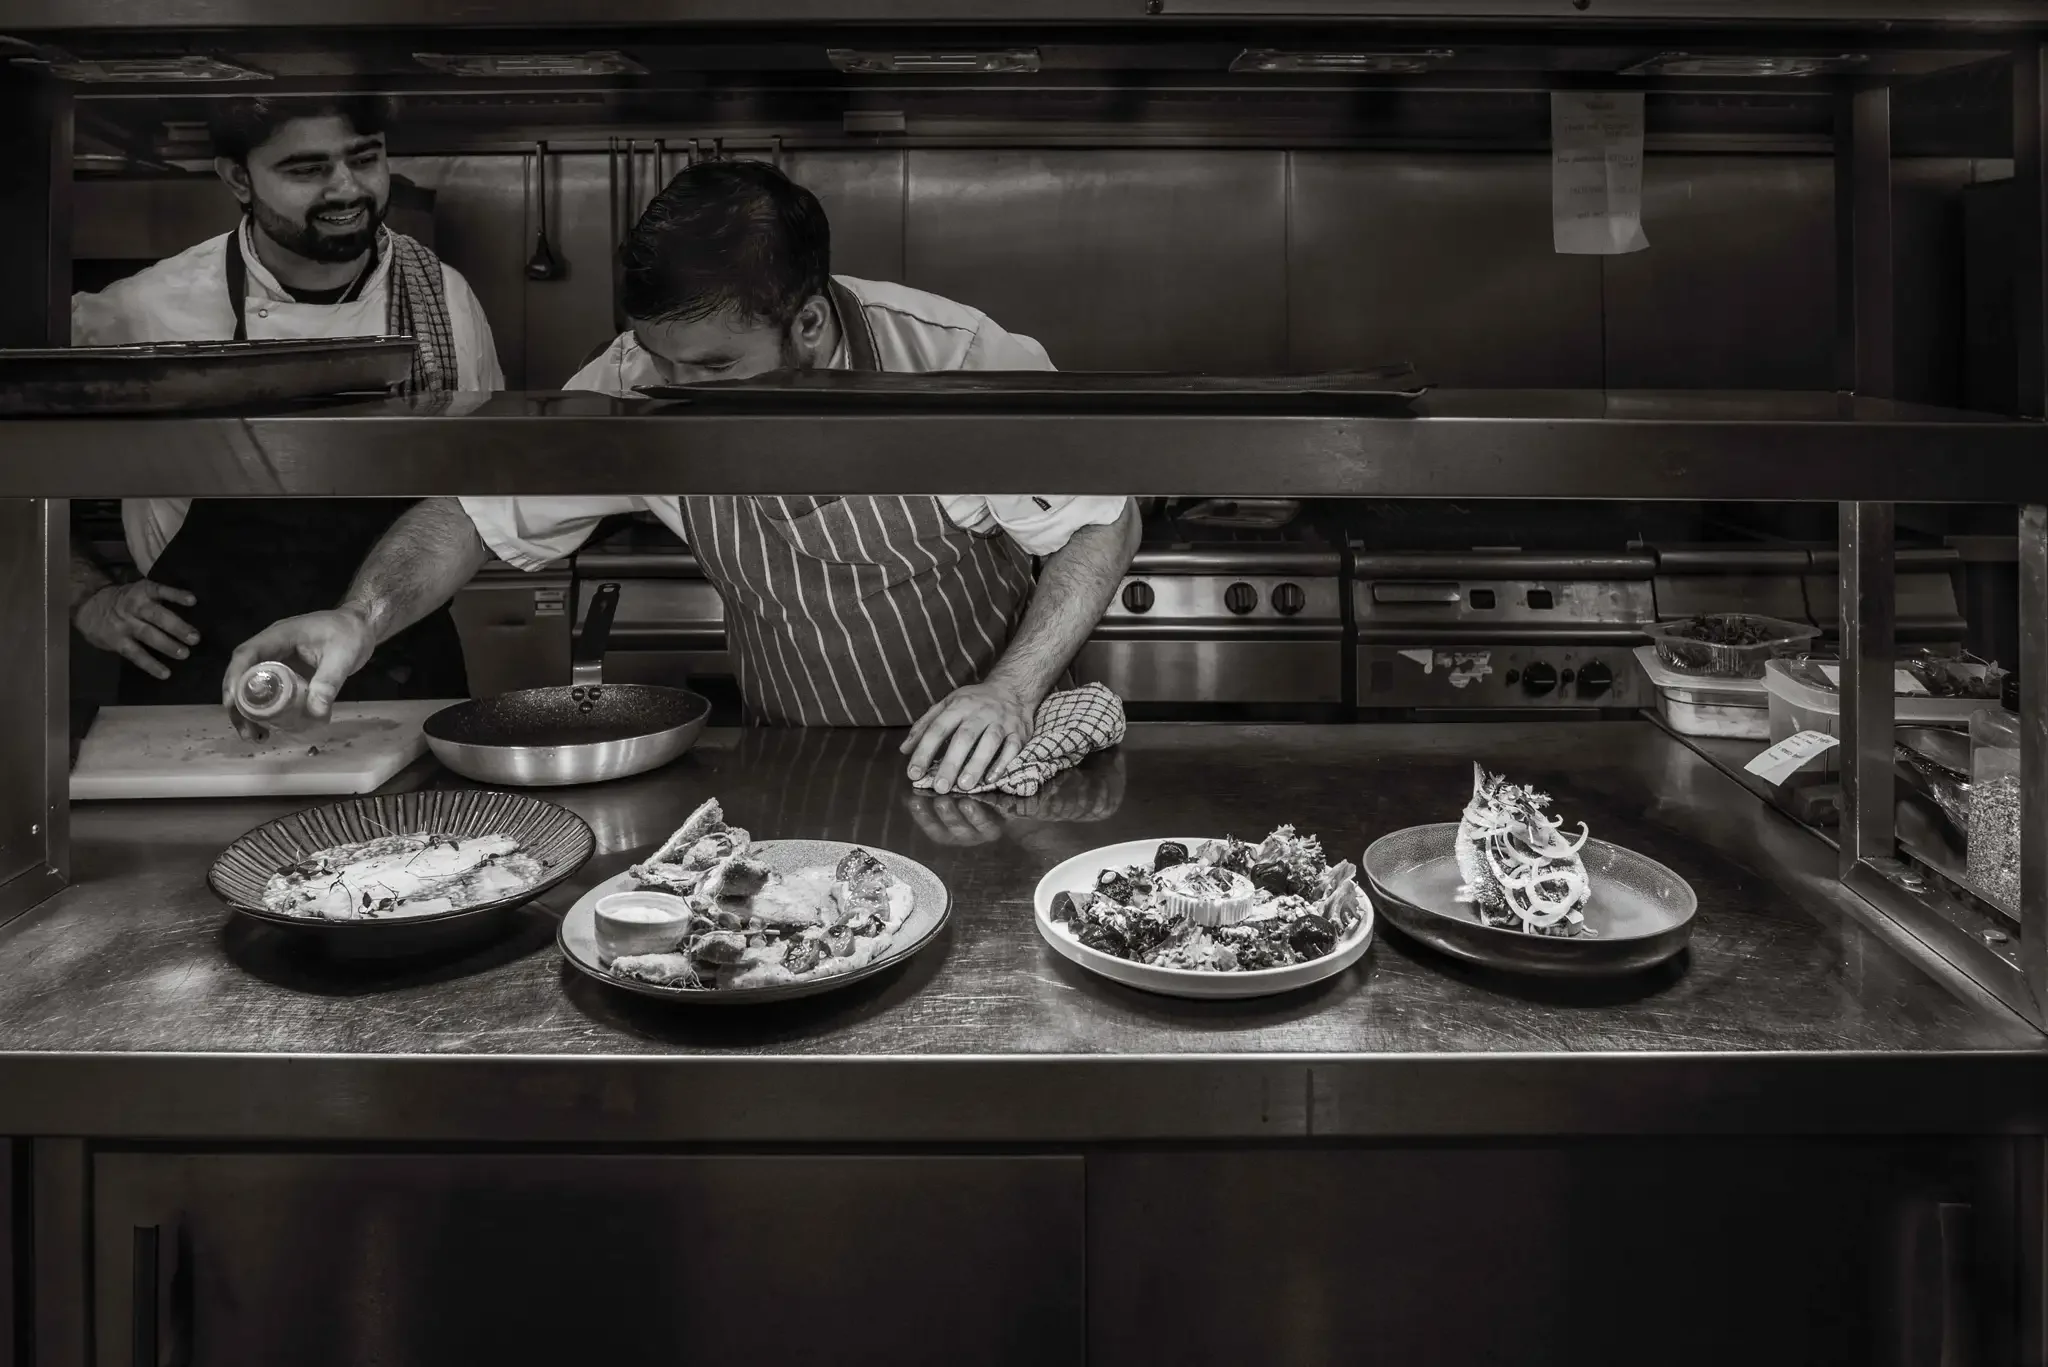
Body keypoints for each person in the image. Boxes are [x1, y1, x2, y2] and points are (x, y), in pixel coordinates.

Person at [227, 158, 1138, 794]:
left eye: (713, 370)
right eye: (660, 361)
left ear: (811, 326)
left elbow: (1102, 521)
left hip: (993, 755)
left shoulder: (956, 360)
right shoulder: (641, 375)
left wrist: (1011, 691)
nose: (675, 391)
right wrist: (363, 615)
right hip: (792, 764)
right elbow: (475, 505)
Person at [69, 94, 504, 705]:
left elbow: (481, 489)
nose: (347, 188)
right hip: (196, 672)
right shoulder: (142, 313)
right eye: (306, 170)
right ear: (236, 178)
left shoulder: (445, 299)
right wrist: (84, 593)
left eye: (365, 158)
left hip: (394, 662)